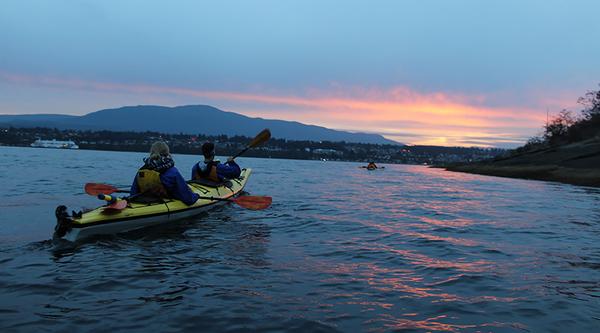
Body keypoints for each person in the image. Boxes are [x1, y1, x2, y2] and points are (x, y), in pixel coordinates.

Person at [130, 141, 199, 205]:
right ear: (167, 152)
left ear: (152, 152)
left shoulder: (141, 171)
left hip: (143, 202)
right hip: (163, 203)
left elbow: (133, 193)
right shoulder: (173, 172)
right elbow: (188, 198)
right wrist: (196, 196)